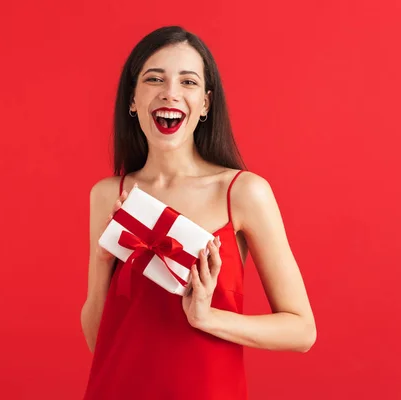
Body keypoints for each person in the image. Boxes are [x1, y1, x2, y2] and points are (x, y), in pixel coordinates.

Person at [80, 26, 316, 400]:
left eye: (187, 82)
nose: (170, 92)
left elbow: (302, 331)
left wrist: (208, 319)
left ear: (205, 104)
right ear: (132, 99)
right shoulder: (111, 194)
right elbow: (100, 341)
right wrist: (101, 258)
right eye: (154, 78)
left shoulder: (242, 192)